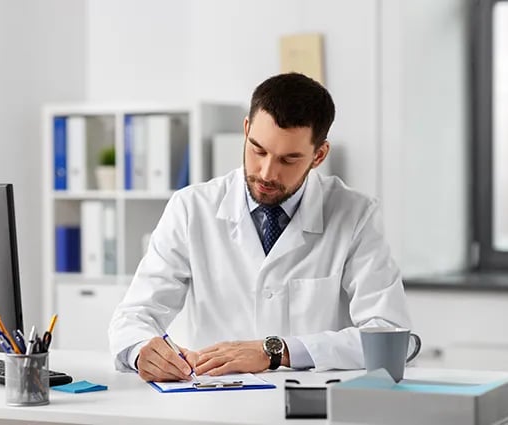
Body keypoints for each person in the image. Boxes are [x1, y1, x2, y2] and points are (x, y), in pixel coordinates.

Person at [108, 72, 411, 382]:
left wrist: (277, 352)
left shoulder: (356, 214)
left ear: (318, 155)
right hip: (214, 401)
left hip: (312, 406)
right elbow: (134, 316)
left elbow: (389, 336)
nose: (267, 172)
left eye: (289, 159)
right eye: (258, 150)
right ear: (246, 130)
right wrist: (141, 350)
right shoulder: (191, 208)